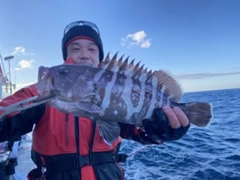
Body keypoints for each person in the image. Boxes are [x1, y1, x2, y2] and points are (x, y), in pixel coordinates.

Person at [0, 20, 190, 180]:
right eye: (75, 48)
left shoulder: (116, 89)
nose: (84, 54)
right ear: (66, 57)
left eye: (92, 49)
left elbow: (138, 132)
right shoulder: (40, 92)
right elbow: (5, 114)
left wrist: (163, 132)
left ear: (99, 57)